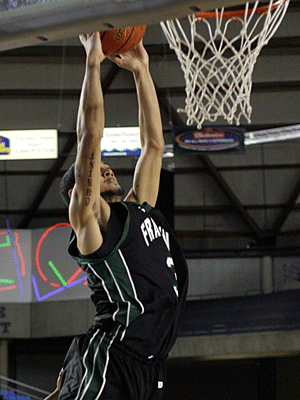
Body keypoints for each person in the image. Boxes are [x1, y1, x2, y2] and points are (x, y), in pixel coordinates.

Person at [57, 32, 188, 400]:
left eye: (109, 168)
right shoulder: (90, 223)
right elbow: (90, 136)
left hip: (151, 364)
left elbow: (154, 146)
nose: (108, 170)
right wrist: (92, 63)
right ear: (77, 193)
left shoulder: (139, 209)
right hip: (113, 358)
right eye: (100, 171)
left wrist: (142, 70)